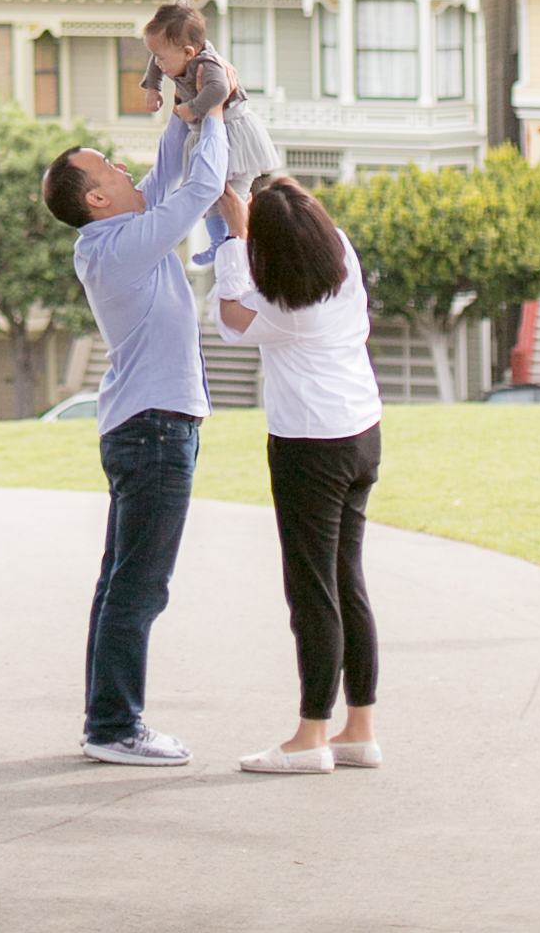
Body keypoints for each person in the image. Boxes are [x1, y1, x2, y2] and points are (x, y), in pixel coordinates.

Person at [43, 106, 227, 766]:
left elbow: (169, 169)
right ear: (96, 199)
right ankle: (116, 729)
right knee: (140, 585)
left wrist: (186, 110)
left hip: (147, 426)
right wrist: (219, 118)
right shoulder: (120, 244)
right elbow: (201, 188)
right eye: (107, 168)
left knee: (120, 582)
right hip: (154, 431)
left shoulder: (119, 233)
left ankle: (107, 723)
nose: (123, 169)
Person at [212, 177, 383, 777]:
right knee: (347, 580)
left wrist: (235, 238)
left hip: (311, 446)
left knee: (311, 590)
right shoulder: (339, 253)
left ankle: (310, 736)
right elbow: (294, 215)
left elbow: (230, 319)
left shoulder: (285, 311)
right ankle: (358, 729)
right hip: (361, 433)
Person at [139, 0, 282, 265]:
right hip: (208, 130)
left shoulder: (208, 66)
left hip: (233, 131)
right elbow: (154, 61)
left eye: (162, 58)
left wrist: (192, 108)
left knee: (233, 191)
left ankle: (235, 239)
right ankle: (219, 242)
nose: (158, 63)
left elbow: (219, 90)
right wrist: (153, 87)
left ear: (188, 53)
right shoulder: (172, 56)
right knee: (214, 196)